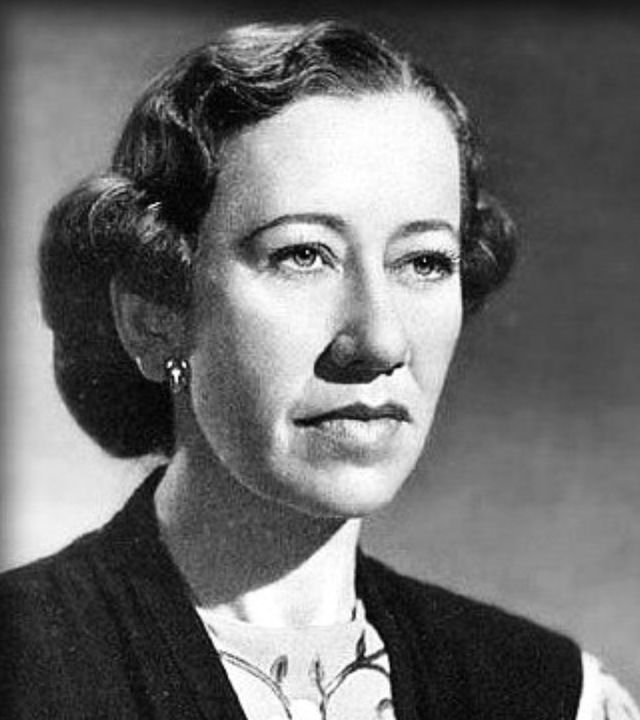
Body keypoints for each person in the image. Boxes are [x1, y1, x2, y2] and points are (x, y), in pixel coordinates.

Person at [1, 20, 637, 720]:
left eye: (424, 262)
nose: (380, 340)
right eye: (302, 255)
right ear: (155, 316)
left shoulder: (552, 696)